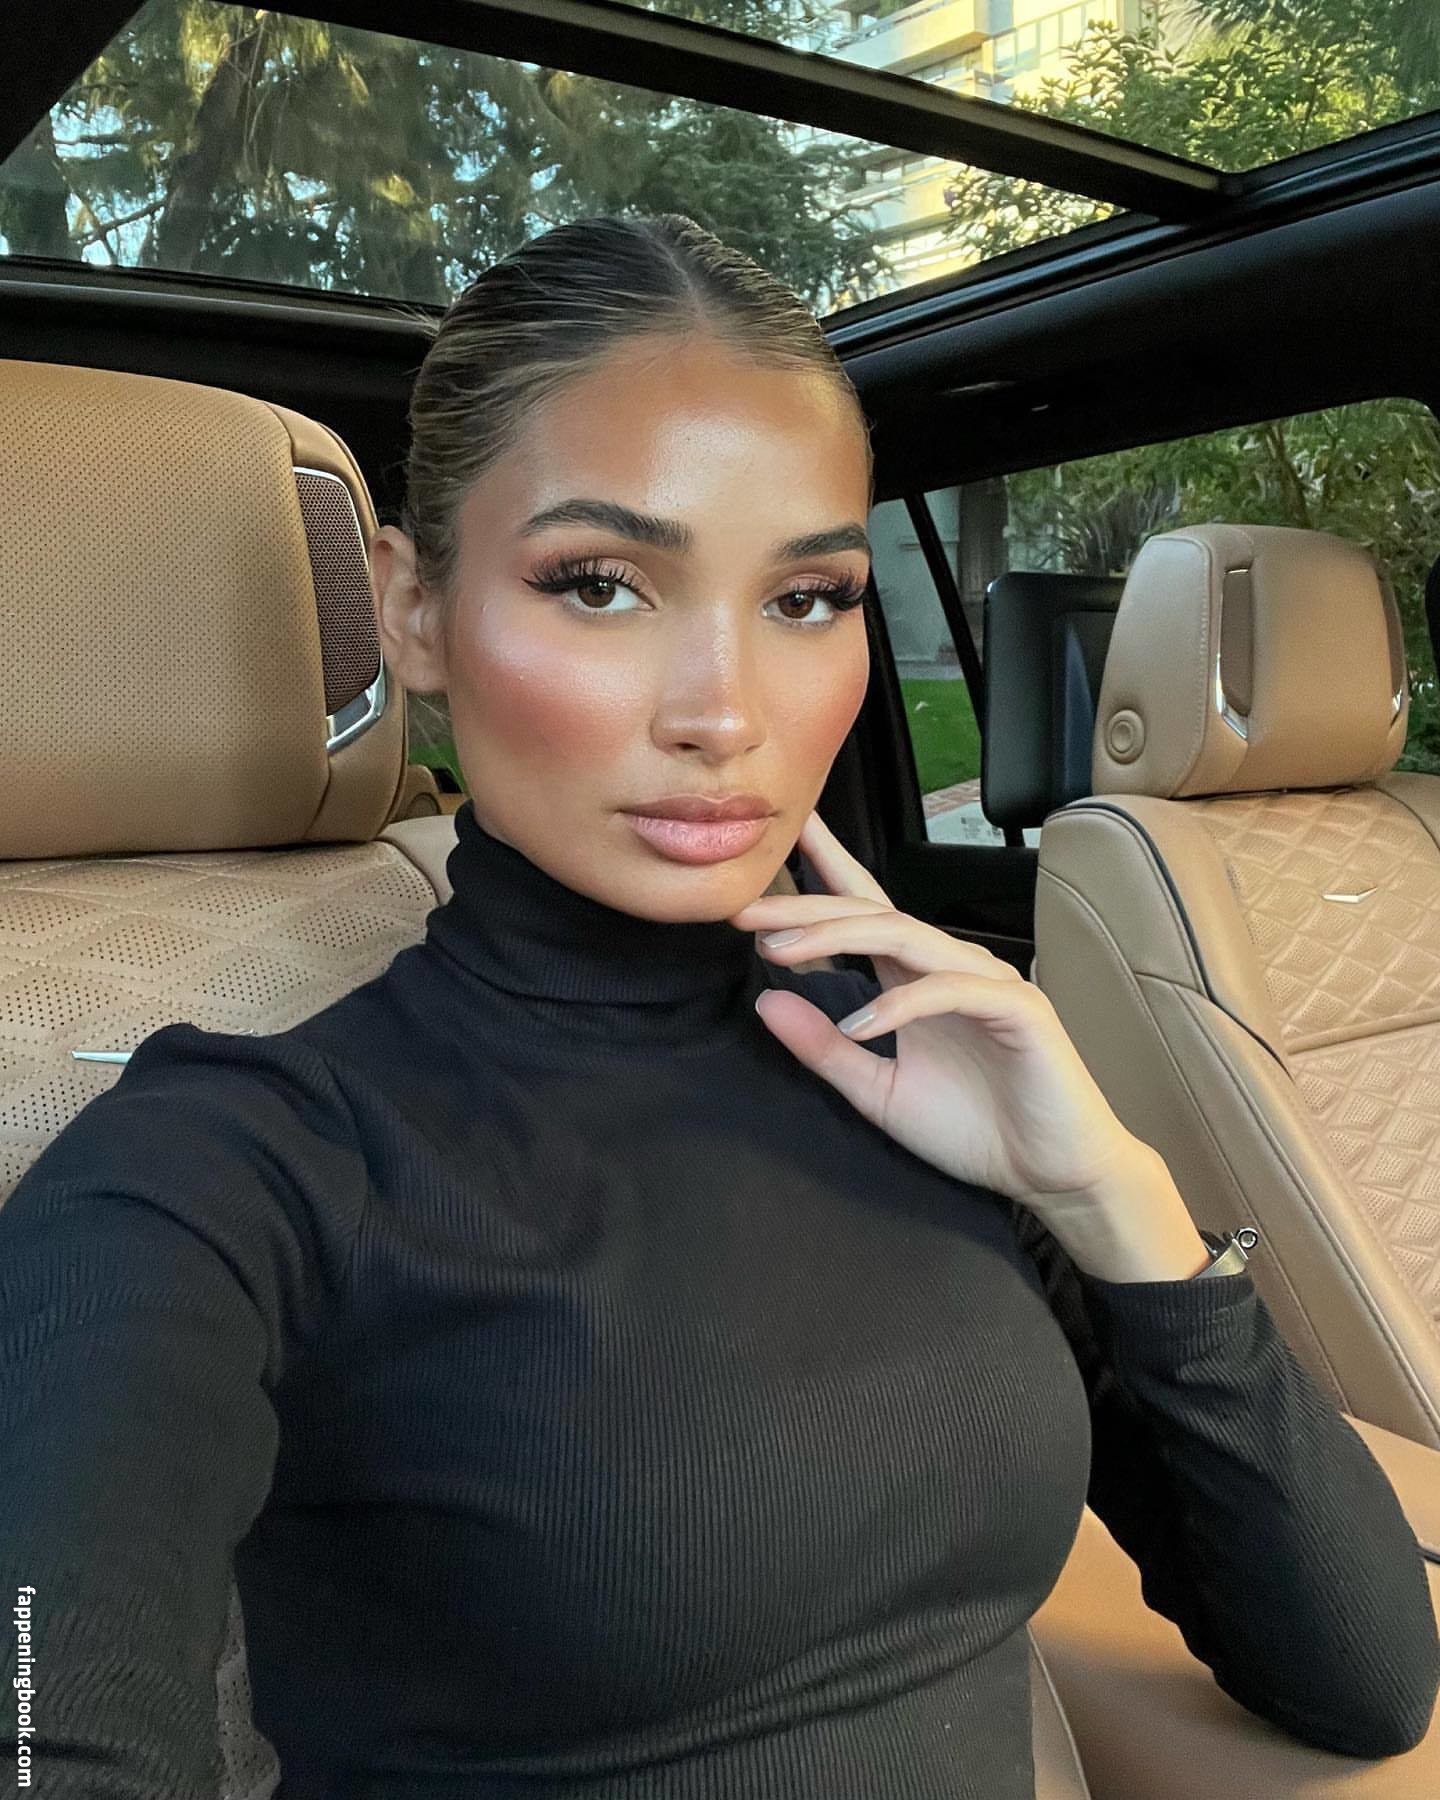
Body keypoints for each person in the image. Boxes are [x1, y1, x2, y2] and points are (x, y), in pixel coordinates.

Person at [1, 212, 1436, 1800]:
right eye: (601, 585)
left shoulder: (915, 1056)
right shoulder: (223, 1169)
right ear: (410, 612)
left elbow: (1364, 1677)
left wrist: (1109, 1187)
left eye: (808, 598)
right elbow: (51, 1725)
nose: (728, 712)